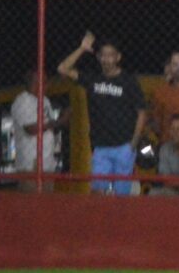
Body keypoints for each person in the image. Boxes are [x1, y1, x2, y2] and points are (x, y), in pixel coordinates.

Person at [58, 33, 144, 195]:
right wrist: (82, 48)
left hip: (124, 146)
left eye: (111, 55)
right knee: (97, 192)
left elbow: (141, 112)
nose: (106, 59)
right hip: (100, 146)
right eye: (103, 55)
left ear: (118, 57)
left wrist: (133, 143)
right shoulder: (93, 79)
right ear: (98, 57)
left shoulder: (129, 81)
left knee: (122, 195)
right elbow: (63, 68)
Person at [8, 69, 49, 185]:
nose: (47, 85)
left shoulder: (45, 100)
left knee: (48, 195)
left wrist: (60, 120)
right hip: (31, 162)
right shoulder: (23, 101)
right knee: (32, 194)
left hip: (47, 160)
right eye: (44, 81)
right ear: (34, 82)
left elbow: (50, 128)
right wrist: (56, 122)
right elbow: (30, 129)